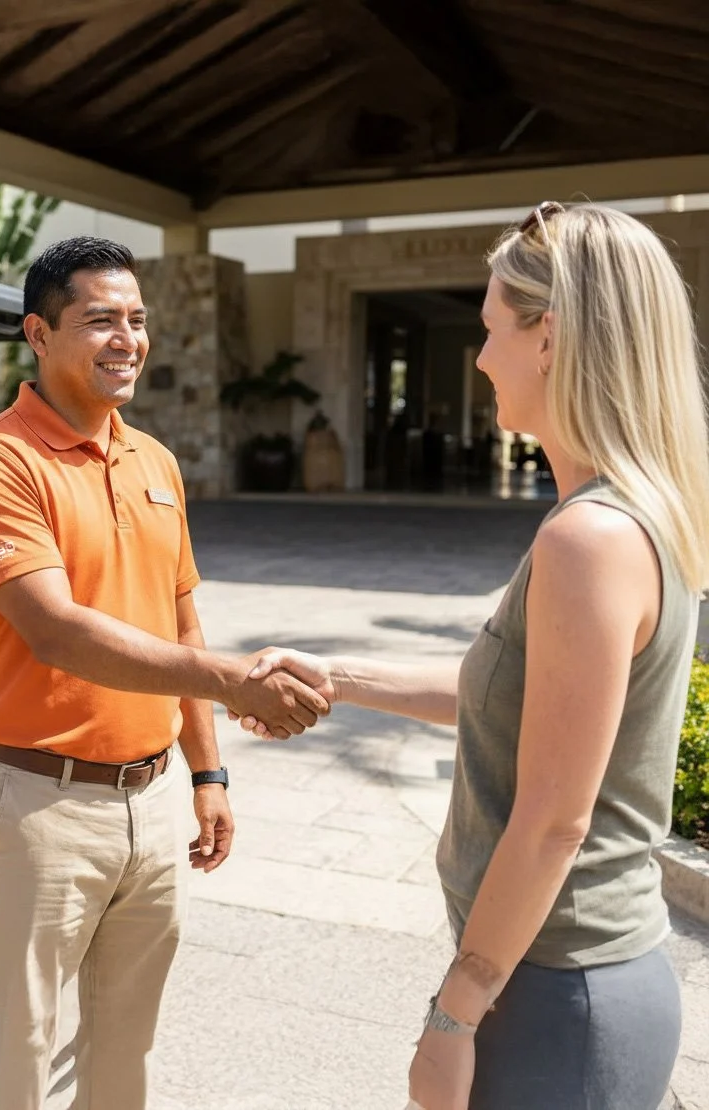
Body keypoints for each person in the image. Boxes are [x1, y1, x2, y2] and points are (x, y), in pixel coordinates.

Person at [237, 201, 709, 1110]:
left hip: (557, 999)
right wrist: (338, 678)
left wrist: (453, 1016)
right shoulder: (628, 513)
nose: (483, 354)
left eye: (493, 327)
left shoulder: (591, 540)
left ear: (550, 337)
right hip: (568, 984)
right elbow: (521, 699)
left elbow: (553, 821)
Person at [0, 236, 330, 1110]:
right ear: (38, 334)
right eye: (101, 320)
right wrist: (234, 682)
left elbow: (178, 617)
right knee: (19, 1044)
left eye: (138, 320)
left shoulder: (155, 461)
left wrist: (209, 773)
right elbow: (57, 631)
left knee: (125, 1045)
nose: (128, 339)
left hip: (150, 805)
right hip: (37, 804)